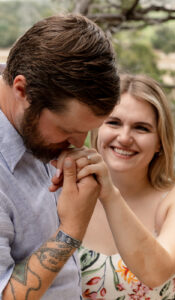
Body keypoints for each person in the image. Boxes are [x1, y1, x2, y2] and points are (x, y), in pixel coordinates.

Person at [0, 14, 120, 299]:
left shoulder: (33, 121)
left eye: (88, 131)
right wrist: (72, 229)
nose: (80, 145)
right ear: (22, 90)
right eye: (68, 131)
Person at [50, 74, 175, 299]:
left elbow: (155, 271)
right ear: (97, 128)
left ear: (160, 141)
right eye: (113, 122)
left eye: (141, 128)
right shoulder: (64, 192)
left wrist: (109, 194)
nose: (124, 137)